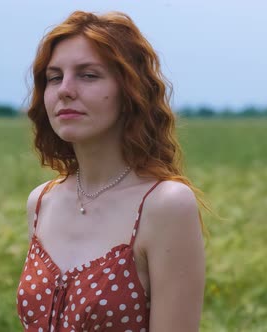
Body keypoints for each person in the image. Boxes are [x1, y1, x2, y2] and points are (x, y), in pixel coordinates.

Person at [16, 10, 208, 331]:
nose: (65, 89)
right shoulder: (41, 202)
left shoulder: (164, 204)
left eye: (88, 75)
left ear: (130, 90)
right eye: (54, 77)